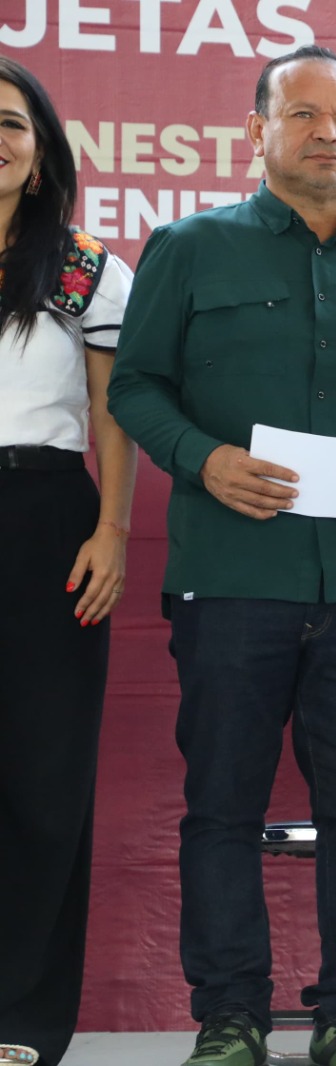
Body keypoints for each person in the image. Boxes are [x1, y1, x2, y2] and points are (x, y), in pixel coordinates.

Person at [106, 45, 336, 1066]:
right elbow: (135, 385)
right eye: (305, 115)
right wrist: (203, 458)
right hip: (229, 580)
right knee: (220, 804)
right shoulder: (187, 249)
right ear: (259, 132)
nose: (327, 134)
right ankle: (229, 1016)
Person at [0, 56, 137, 1066]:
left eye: (12, 125)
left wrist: (115, 531)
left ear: (42, 156)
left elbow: (115, 415)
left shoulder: (85, 267)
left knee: (43, 780)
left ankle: (23, 1023)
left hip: (48, 519)